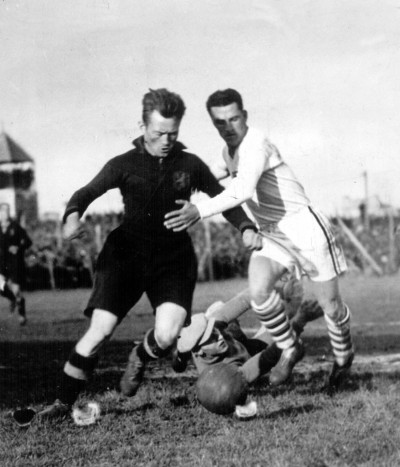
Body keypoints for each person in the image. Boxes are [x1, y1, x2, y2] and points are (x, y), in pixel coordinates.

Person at [40, 88, 261, 418]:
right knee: (99, 332)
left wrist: (245, 227)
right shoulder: (123, 164)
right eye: (159, 133)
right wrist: (72, 217)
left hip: (172, 260)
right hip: (125, 256)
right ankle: (61, 403)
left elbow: (223, 197)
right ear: (142, 126)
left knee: (168, 334)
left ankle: (140, 356)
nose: (166, 140)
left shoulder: (189, 164)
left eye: (173, 133)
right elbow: (86, 192)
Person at [164, 88, 354, 390]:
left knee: (330, 306)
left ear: (245, 116)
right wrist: (176, 190)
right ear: (213, 124)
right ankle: (290, 347)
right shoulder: (228, 152)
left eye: (234, 118)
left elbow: (241, 191)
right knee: (259, 290)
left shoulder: (257, 145)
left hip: (305, 227)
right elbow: (207, 179)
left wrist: (197, 212)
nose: (229, 127)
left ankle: (344, 358)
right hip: (272, 233)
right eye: (220, 122)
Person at [173, 275, 324, 385]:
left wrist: (276, 287)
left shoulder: (211, 329)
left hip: (241, 345)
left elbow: (245, 299)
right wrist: (300, 321)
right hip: (252, 358)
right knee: (280, 367)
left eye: (213, 332)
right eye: (211, 339)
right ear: (200, 352)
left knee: (217, 308)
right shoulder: (224, 372)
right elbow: (266, 358)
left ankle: (179, 358)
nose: (218, 336)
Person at [0, 203, 32, 325]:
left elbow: (28, 242)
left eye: (7, 211)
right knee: (0, 285)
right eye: (3, 211)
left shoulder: (16, 227)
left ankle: (22, 315)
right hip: (1, 263)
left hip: (14, 263)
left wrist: (18, 247)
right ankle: (12, 299)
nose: (5, 213)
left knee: (16, 289)